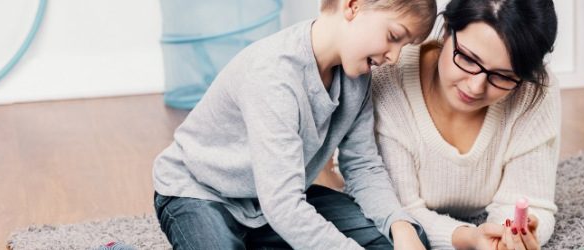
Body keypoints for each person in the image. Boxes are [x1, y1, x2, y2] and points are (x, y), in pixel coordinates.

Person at [151, 0, 437, 249]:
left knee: (405, 238)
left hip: (271, 201)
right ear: (353, 5)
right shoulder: (273, 76)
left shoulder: (358, 79)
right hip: (201, 193)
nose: (394, 57)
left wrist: (400, 226)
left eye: (405, 45)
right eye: (394, 36)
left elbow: (363, 166)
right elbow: (284, 205)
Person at [370, 0, 559, 249]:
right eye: (468, 59)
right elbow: (397, 213)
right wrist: (468, 238)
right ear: (447, 29)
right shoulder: (389, 77)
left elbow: (532, 203)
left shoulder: (532, 92)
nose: (475, 87)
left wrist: (511, 236)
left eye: (503, 76)